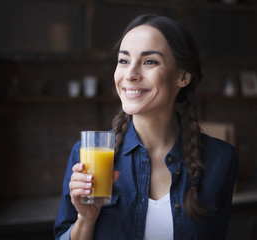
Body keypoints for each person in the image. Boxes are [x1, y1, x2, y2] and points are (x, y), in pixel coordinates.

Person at [54, 14, 238, 240]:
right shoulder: (87, 155)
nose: (130, 74)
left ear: (183, 76)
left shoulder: (221, 159)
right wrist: (86, 218)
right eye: (123, 61)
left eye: (149, 61)